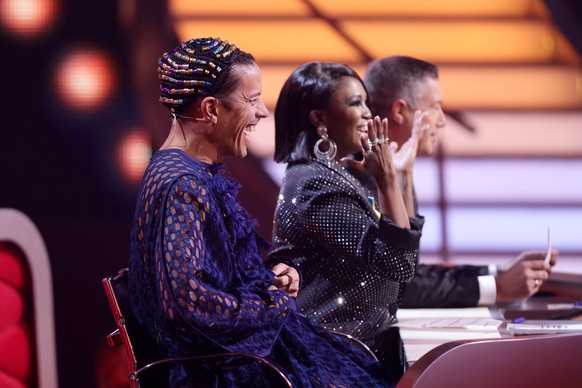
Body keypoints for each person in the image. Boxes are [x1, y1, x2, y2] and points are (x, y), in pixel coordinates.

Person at [127, 37, 392, 387]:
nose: (262, 111)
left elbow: (212, 277)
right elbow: (188, 304)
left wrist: (271, 276)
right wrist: (273, 303)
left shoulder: (189, 172)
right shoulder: (182, 184)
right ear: (210, 109)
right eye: (251, 100)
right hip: (221, 373)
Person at [362, 55, 558, 308]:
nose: (442, 120)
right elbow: (397, 286)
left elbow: (410, 271)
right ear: (400, 111)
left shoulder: (395, 173)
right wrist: (496, 287)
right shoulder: (362, 180)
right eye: (434, 107)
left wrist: (498, 271)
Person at [270, 61, 423, 379]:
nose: (368, 112)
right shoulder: (315, 183)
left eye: (366, 101)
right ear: (319, 120)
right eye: (356, 103)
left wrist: (400, 175)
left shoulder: (340, 176)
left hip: (360, 352)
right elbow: (399, 264)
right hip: (334, 364)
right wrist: (389, 180)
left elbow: (404, 268)